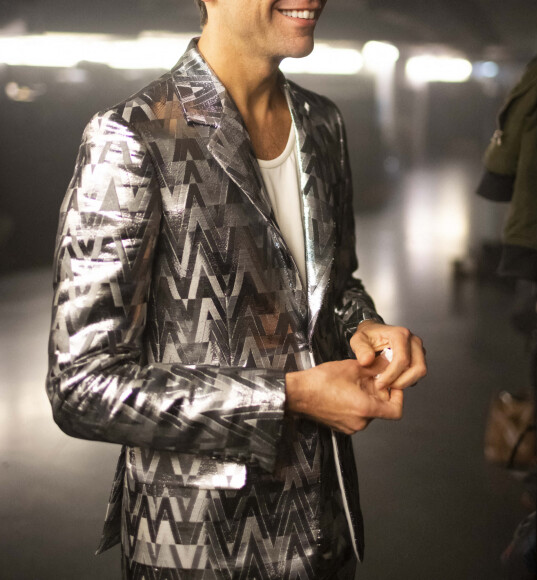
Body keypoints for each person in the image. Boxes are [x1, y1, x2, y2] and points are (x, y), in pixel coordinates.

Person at [46, 1, 427, 578]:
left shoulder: (322, 123)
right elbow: (83, 385)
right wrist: (288, 396)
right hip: (199, 540)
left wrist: (360, 324)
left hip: (325, 526)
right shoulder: (133, 135)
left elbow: (333, 281)